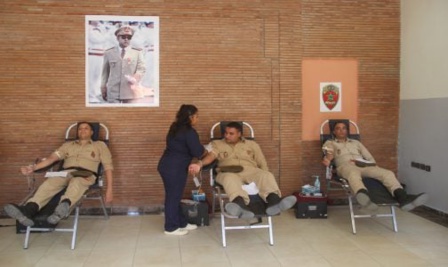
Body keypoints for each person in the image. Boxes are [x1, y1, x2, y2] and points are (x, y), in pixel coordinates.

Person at [3, 122, 113, 226]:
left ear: (92, 132)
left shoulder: (100, 145)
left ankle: (62, 208)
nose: (82, 130)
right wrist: (32, 167)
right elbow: (51, 159)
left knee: (76, 182)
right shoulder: (67, 145)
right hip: (66, 172)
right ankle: (28, 209)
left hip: (86, 174)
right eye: (80, 129)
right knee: (50, 183)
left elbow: (108, 166)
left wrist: (109, 190)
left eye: (86, 128)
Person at [189, 122, 296, 219]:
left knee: (266, 175)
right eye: (226, 133)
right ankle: (240, 205)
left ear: (239, 134)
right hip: (227, 171)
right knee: (230, 179)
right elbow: (211, 156)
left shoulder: (252, 144)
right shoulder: (217, 144)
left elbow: (262, 162)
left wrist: (264, 175)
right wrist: (199, 164)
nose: (227, 136)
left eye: (231, 133)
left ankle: (274, 202)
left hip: (250, 171)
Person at [321, 120, 428, 211]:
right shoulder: (330, 143)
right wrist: (328, 160)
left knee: (387, 173)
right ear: (334, 131)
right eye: (338, 128)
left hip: (363, 166)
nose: (341, 130)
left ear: (347, 130)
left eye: (344, 128)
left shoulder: (356, 143)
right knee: (353, 173)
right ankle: (364, 197)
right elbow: (329, 154)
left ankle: (403, 198)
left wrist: (368, 166)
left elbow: (370, 158)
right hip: (345, 167)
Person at [158, 104, 207, 236]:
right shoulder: (189, 132)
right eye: (196, 116)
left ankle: (181, 222)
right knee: (173, 197)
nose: (198, 119)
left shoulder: (175, 127)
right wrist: (207, 150)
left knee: (175, 196)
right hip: (174, 168)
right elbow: (198, 152)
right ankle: (170, 227)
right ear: (190, 117)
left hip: (167, 165)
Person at [101, 25, 146, 104]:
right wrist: (103, 86)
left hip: (131, 90)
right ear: (117, 38)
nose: (126, 39)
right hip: (114, 91)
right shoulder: (109, 52)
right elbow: (105, 73)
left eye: (129, 37)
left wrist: (135, 78)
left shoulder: (137, 52)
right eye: (123, 37)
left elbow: (141, 68)